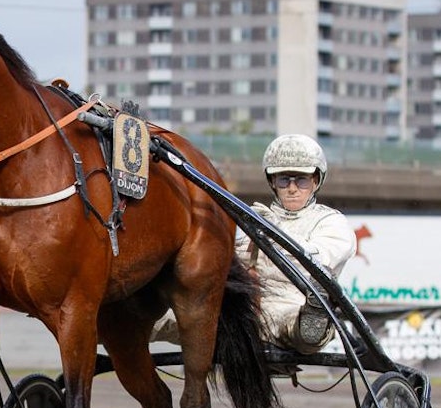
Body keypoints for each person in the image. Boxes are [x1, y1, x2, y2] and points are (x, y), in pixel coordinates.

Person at [151, 133, 356, 354]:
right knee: (175, 316)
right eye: (284, 179)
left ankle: (313, 322)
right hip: (244, 308)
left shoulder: (330, 222)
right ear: (272, 182)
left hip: (293, 302)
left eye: (302, 180)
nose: (292, 188)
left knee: (291, 322)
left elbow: (318, 261)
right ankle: (116, 325)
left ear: (316, 181)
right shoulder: (257, 217)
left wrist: (273, 231)